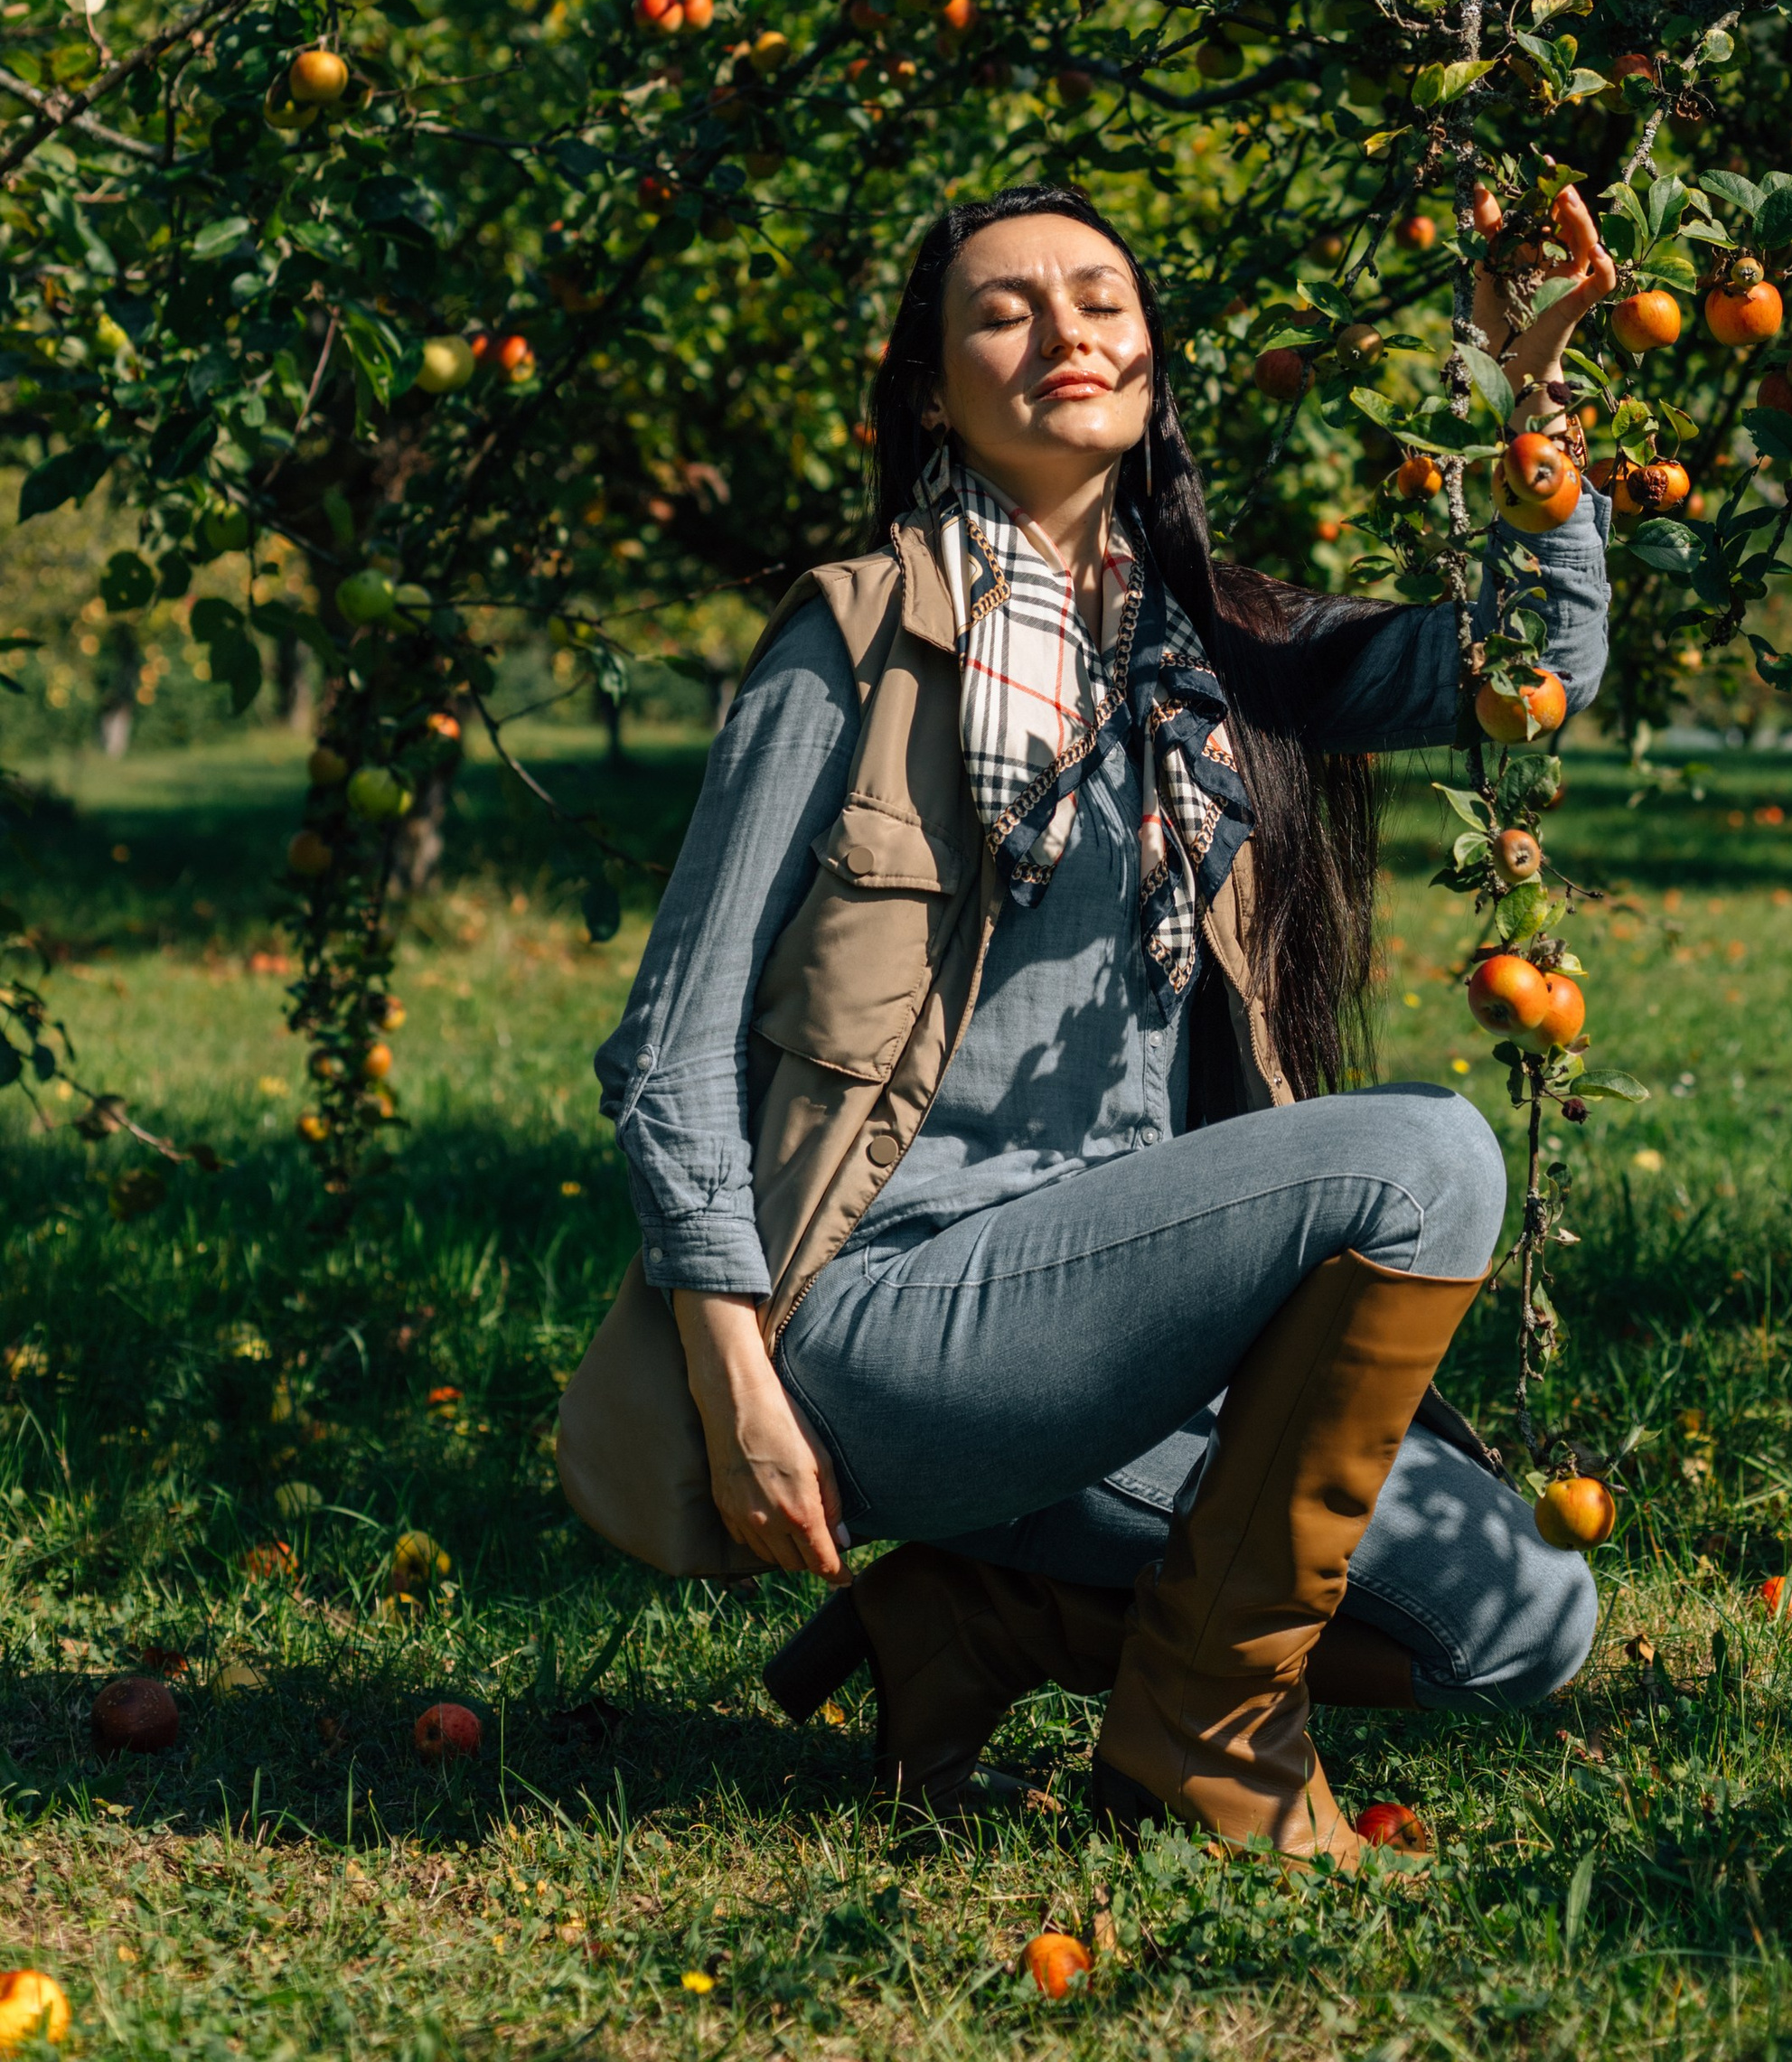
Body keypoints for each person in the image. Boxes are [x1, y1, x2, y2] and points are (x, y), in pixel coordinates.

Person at [557, 179, 1618, 1864]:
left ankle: (980, 1624)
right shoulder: (851, 645)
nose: (1067, 333)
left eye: (1103, 300)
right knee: (1427, 1153)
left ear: (1151, 359)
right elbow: (669, 1046)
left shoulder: (1206, 655)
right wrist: (737, 1380)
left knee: (1519, 1620)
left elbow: (1537, 661)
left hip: (1116, 1327)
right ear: (929, 389)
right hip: (881, 1318)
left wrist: (1537, 400)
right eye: (1006, 309)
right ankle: (1202, 1736)